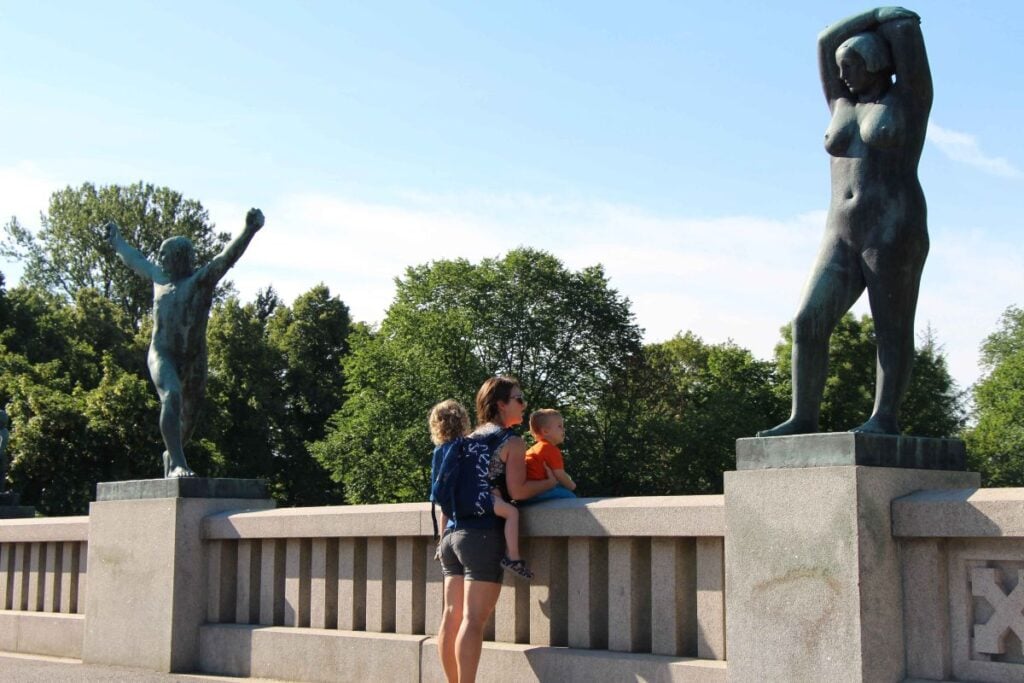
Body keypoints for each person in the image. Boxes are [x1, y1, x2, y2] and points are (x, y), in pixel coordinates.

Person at [759, 6, 932, 437]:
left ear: (877, 63)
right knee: (807, 320)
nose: (845, 74)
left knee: (890, 327)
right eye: (842, 67)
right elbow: (823, 42)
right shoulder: (841, 103)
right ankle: (803, 417)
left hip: (894, 229)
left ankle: (884, 417)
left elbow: (906, 32)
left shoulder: (908, 98)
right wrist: (870, 13)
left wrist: (889, 20)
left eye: (852, 65)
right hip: (840, 232)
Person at [105, 208, 265, 477]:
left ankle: (172, 454)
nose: (159, 258)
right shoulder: (159, 277)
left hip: (194, 358)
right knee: (172, 394)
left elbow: (226, 258)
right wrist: (117, 241)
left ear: (178, 257)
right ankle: (179, 463)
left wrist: (249, 231)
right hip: (162, 353)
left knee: (189, 417)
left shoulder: (200, 281)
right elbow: (134, 258)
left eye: (164, 254)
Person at [436, 376, 556, 683]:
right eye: (518, 399)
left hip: (451, 536)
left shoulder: (463, 441)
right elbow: (518, 490)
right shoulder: (511, 442)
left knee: (451, 616)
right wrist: (549, 482)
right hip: (482, 536)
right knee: (473, 621)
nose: (523, 404)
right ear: (501, 405)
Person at [428, 399, 533, 580]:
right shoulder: (468, 446)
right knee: (511, 513)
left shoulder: (440, 450)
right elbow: (479, 476)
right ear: (463, 420)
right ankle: (513, 557)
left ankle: (440, 544)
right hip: (479, 506)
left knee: (451, 609)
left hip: (453, 519)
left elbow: (444, 495)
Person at [523, 409, 576, 502]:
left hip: (529, 491)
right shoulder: (550, 449)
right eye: (560, 426)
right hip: (539, 492)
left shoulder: (536, 448)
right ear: (545, 431)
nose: (563, 429)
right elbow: (560, 475)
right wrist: (572, 486)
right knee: (571, 496)